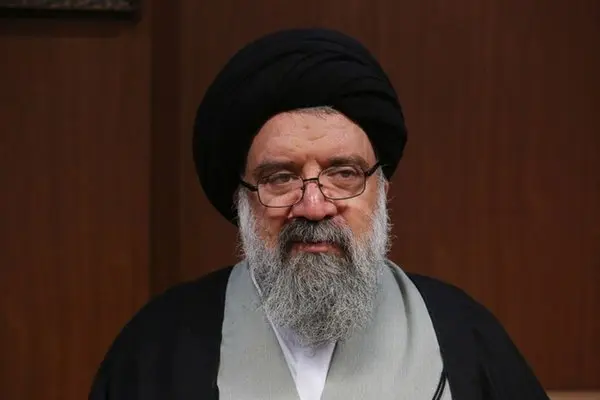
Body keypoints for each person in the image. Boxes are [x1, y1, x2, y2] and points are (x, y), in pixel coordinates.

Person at [89, 28, 549, 400]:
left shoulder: (465, 336)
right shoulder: (157, 348)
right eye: (280, 178)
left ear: (381, 189)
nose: (313, 206)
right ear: (243, 199)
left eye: (344, 173)